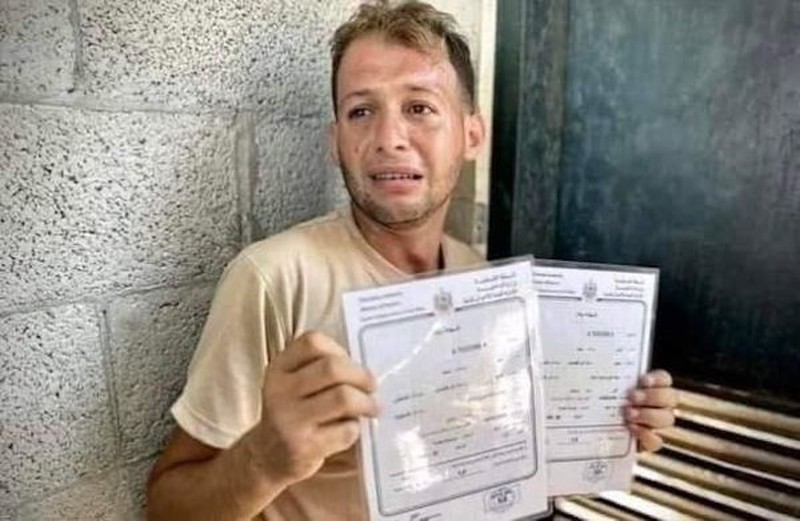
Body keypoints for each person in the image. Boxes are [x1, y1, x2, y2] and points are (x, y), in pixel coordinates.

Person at [146, 1, 677, 519]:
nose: (388, 139)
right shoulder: (274, 279)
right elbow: (167, 507)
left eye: (419, 107)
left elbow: (506, 459)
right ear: (336, 141)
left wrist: (607, 425)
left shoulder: (483, 277)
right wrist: (263, 459)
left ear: (472, 134)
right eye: (361, 111)